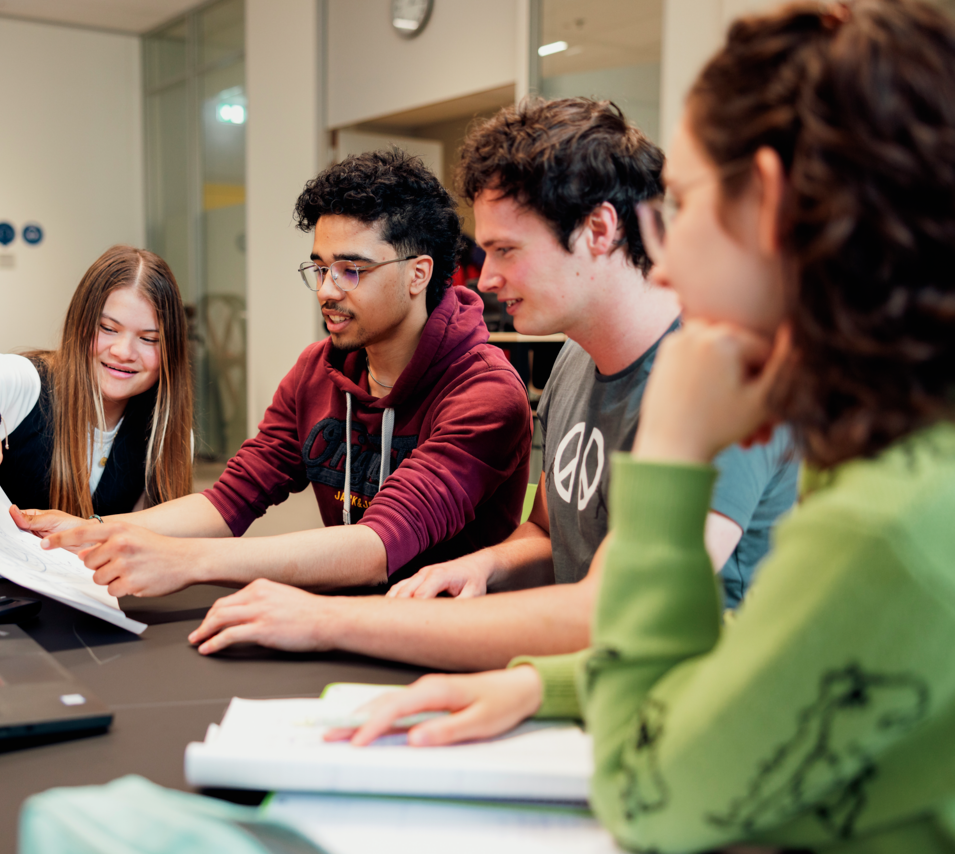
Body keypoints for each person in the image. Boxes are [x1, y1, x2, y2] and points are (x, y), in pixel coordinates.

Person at [340, 2, 955, 851]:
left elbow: (644, 789)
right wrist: (543, 686)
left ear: (767, 204)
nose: (663, 250)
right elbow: (753, 648)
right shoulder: (892, 458)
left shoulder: (881, 525)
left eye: (684, 203)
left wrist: (668, 452)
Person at [186, 98, 799, 669]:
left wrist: (327, 619)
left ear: (600, 229)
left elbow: (614, 609)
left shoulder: (726, 378)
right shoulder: (575, 363)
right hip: (591, 685)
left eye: (507, 251)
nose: (486, 280)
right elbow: (550, 533)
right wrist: (484, 566)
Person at [22, 150, 532, 598]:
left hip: (445, 636)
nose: (327, 290)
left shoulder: (483, 393)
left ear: (417, 273)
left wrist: (189, 562)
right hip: (338, 612)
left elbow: (379, 546)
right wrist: (90, 530)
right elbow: (230, 500)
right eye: (320, 268)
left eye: (351, 270)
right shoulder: (317, 371)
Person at [0, 245, 194, 521]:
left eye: (149, 339)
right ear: (80, 325)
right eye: (107, 328)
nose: (123, 352)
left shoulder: (163, 433)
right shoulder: (28, 383)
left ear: (170, 350)